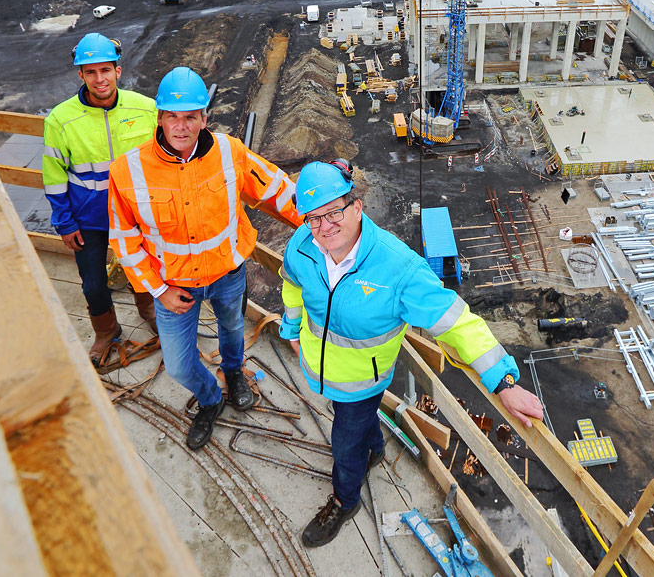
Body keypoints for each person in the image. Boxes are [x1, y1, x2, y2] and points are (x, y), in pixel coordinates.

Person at [279, 160, 544, 548]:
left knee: (344, 442)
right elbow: (291, 285)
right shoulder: (302, 246)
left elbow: (456, 322)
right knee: (354, 421)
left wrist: (502, 380)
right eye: (313, 218)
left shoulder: (399, 268)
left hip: (363, 379)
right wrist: (290, 326)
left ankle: (344, 499)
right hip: (320, 371)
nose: (324, 227)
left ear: (356, 208)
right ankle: (375, 449)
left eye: (333, 212)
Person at [109, 67, 300, 450]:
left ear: (204, 118)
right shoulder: (128, 171)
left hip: (227, 274)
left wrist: (324, 218)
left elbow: (278, 188)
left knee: (232, 333)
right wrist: (158, 290)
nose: (181, 126)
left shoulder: (230, 152)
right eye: (172, 117)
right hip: (174, 288)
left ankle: (234, 374)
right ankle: (211, 399)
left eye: (190, 116)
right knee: (179, 364)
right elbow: (125, 241)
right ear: (160, 118)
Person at [43, 32, 157, 367]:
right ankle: (106, 331)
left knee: (142, 272)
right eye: (90, 72)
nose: (99, 78)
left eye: (105, 70)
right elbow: (54, 177)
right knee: (93, 284)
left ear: (118, 71)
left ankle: (150, 311)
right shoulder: (61, 120)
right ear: (80, 75)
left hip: (135, 216)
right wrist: (64, 222)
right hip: (88, 220)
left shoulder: (145, 109)